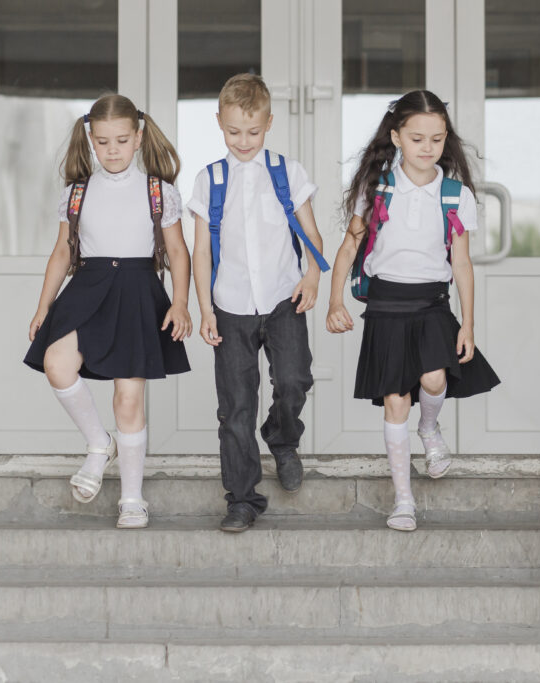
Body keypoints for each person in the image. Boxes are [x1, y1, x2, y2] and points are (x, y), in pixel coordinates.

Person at [326, 90, 500, 532]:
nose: (428, 148)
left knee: (434, 379)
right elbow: (349, 246)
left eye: (437, 139)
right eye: (417, 138)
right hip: (386, 304)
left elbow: (462, 263)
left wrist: (469, 324)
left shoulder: (455, 195)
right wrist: (334, 300)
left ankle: (430, 428)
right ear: (396, 137)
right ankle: (404, 499)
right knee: (395, 399)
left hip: (432, 303)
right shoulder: (376, 188)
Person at [24, 94, 192, 530]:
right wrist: (43, 305)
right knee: (56, 363)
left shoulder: (159, 192)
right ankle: (99, 444)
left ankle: (132, 498)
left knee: (128, 399)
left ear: (138, 137)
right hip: (89, 288)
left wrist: (180, 302)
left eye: (120, 140)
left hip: (137, 292)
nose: (112, 150)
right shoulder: (77, 193)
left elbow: (178, 251)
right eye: (102, 142)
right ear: (90, 140)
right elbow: (62, 252)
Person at [188, 73, 326, 533]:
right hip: (230, 306)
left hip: (283, 298)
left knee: (294, 379)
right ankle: (243, 500)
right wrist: (205, 309)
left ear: (269, 123)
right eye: (233, 131)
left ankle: (282, 439)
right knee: (235, 407)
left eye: (252, 131)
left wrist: (312, 276)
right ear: (219, 123)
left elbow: (311, 233)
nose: (243, 141)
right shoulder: (210, 180)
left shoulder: (288, 172)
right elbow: (201, 251)